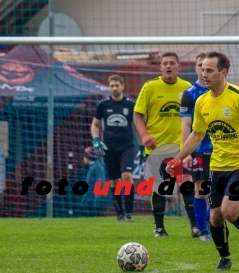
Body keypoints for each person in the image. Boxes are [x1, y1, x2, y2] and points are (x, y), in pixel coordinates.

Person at [166, 51, 239, 271]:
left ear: (223, 73)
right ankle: (225, 258)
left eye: (209, 70)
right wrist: (178, 159)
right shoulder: (201, 102)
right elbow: (197, 134)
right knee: (216, 217)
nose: (204, 74)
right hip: (218, 165)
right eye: (202, 70)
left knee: (230, 211)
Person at [133, 52, 198, 238]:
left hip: (181, 148)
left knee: (186, 185)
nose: (168, 66)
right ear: (160, 67)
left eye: (172, 63)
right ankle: (159, 228)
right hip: (156, 148)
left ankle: (195, 226)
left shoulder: (187, 88)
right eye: (165, 63)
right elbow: (138, 114)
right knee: (160, 188)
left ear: (178, 67)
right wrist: (144, 135)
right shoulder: (150, 87)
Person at [90, 75, 137, 222]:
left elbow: (138, 125)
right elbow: (95, 125)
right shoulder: (103, 104)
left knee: (127, 176)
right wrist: (96, 140)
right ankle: (120, 214)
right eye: (112, 86)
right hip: (109, 147)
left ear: (123, 86)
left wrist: (142, 147)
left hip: (127, 146)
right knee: (114, 181)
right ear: (109, 88)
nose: (114, 88)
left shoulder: (131, 104)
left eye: (117, 85)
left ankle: (129, 213)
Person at [180, 52, 213, 241]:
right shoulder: (190, 94)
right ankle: (203, 231)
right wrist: (188, 152)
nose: (203, 69)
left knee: (220, 191)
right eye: (200, 65)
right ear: (196, 68)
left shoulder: (219, 92)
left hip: (220, 150)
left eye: (207, 66)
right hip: (199, 149)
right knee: (201, 189)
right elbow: (186, 125)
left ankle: (209, 218)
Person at [80, 146, 110, 216]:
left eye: (84, 156)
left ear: (88, 156)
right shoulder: (93, 167)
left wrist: (97, 201)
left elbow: (101, 183)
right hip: (90, 202)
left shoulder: (97, 167)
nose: (83, 159)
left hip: (94, 203)